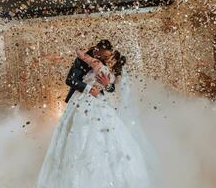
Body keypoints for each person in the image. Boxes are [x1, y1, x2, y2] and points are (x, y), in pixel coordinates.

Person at [35, 46, 152, 188]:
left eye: (109, 57)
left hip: (99, 102)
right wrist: (90, 89)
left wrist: (107, 85)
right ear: (99, 51)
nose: (106, 58)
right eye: (105, 55)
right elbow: (70, 80)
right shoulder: (89, 61)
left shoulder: (108, 69)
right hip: (82, 100)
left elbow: (111, 89)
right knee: (80, 131)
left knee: (105, 135)